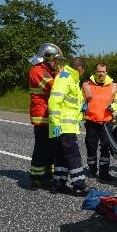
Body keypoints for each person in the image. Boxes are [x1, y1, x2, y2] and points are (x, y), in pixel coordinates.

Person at [48, 56, 90, 196]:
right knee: (73, 156)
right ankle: (79, 185)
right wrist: (56, 123)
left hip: (64, 125)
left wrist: (79, 118)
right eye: (83, 70)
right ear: (80, 68)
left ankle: (58, 184)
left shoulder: (71, 79)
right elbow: (54, 100)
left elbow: (73, 105)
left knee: (61, 156)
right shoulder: (66, 78)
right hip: (63, 126)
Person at [82, 62, 117, 182]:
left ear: (106, 72)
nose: (101, 74)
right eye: (99, 71)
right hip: (91, 122)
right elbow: (80, 102)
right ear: (95, 72)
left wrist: (114, 106)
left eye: (103, 71)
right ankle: (92, 170)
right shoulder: (87, 85)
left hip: (106, 122)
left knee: (106, 147)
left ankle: (104, 173)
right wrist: (80, 115)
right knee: (91, 147)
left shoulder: (113, 86)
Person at [28, 43, 61, 189]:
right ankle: (36, 177)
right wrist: (62, 75)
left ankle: (47, 174)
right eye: (55, 59)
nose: (56, 62)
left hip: (49, 115)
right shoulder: (37, 71)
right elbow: (54, 86)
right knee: (41, 147)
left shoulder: (47, 70)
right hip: (41, 116)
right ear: (46, 58)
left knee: (51, 147)